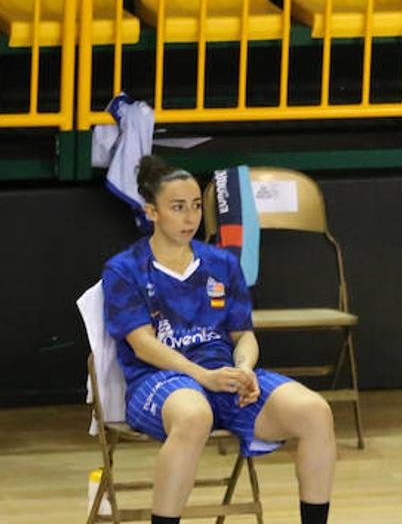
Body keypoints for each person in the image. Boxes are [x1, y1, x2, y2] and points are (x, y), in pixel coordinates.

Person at [102, 156, 337, 524]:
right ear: (152, 212)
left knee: (316, 412)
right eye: (177, 208)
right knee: (195, 415)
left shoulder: (222, 264)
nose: (190, 218)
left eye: (196, 206)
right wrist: (202, 375)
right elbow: (143, 345)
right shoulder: (125, 268)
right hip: (159, 379)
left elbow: (244, 334)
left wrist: (243, 368)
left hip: (222, 376)